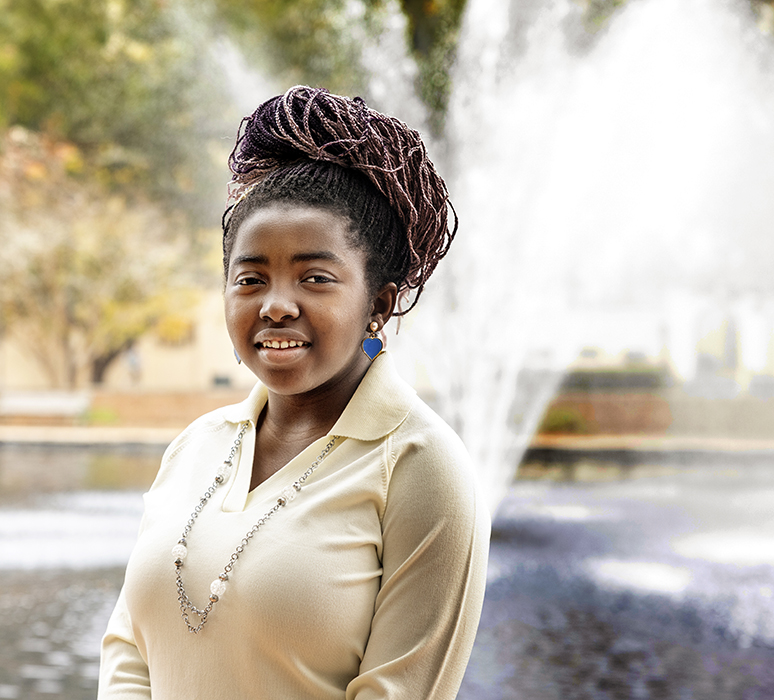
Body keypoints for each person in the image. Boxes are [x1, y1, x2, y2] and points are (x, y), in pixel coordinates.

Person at [99, 86, 491, 699]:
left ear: (378, 304)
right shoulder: (196, 446)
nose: (276, 305)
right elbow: (128, 646)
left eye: (315, 277)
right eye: (251, 279)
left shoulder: (420, 465)